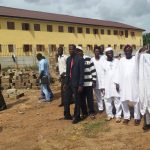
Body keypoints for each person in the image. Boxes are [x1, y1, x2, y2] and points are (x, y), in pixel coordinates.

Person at [114, 45, 140, 125]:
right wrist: (117, 83)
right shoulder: (121, 60)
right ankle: (126, 117)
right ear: (124, 52)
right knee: (123, 100)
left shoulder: (135, 59)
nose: (128, 52)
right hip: (123, 84)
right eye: (126, 50)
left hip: (134, 83)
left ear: (132, 51)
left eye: (129, 50)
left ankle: (137, 117)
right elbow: (117, 71)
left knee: (136, 100)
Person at [64, 44, 84, 124]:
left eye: (72, 49)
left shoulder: (80, 59)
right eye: (69, 49)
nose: (70, 51)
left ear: (75, 50)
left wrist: (81, 85)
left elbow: (82, 73)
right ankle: (67, 115)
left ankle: (77, 116)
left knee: (77, 100)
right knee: (67, 99)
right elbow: (67, 72)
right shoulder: (68, 59)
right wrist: (65, 83)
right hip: (69, 83)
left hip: (76, 84)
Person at [101, 47, 122, 123]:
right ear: (106, 54)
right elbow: (102, 75)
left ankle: (118, 116)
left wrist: (118, 83)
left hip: (115, 84)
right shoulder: (103, 62)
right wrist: (102, 86)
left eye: (111, 52)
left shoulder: (117, 61)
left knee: (117, 100)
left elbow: (120, 72)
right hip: (107, 85)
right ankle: (109, 115)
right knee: (107, 100)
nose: (110, 54)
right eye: (108, 53)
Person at [76, 46, 96, 119]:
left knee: (90, 99)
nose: (78, 53)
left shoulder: (88, 58)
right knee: (82, 99)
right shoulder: (76, 60)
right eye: (77, 51)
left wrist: (94, 80)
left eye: (79, 51)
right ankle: (84, 113)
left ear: (82, 51)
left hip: (88, 83)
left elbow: (92, 69)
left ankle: (91, 112)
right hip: (80, 84)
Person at [135, 46, 150, 131]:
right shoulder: (143, 57)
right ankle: (147, 123)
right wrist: (140, 50)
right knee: (146, 103)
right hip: (145, 84)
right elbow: (137, 58)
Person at [91, 46, 105, 112]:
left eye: (98, 51)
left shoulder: (103, 58)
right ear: (94, 52)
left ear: (100, 52)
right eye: (96, 51)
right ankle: (101, 108)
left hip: (103, 80)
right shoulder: (92, 60)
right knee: (98, 95)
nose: (97, 52)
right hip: (95, 80)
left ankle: (108, 107)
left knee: (105, 94)